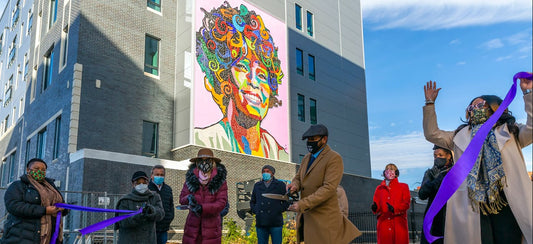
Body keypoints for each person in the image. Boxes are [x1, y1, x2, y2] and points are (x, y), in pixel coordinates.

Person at [423, 76, 532, 244]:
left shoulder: (511, 131)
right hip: (473, 201)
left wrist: (528, 93)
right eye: (471, 106)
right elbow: (432, 134)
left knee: (509, 239)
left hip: (506, 199)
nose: (475, 109)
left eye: (480, 105)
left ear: (495, 108)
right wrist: (430, 104)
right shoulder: (459, 135)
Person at [194, 2, 288, 161]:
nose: (254, 82)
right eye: (242, 67)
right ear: (223, 78)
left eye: (262, 75)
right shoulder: (202, 141)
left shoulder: (279, 154)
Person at [287, 124, 360, 243]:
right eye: (308, 140)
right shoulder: (306, 158)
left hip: (325, 220)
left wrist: (302, 204)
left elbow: (329, 188)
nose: (310, 142)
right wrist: (294, 185)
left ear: (324, 139)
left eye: (313, 139)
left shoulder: (333, 158)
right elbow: (299, 178)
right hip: (308, 218)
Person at [2, 158, 68, 243]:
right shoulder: (18, 186)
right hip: (23, 236)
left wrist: (63, 209)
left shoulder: (51, 188)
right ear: (28, 170)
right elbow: (14, 206)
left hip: (51, 235)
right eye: (36, 169)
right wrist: (44, 210)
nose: (40, 171)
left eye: (43, 170)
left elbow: (61, 203)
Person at [179, 148, 228, 244]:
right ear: (197, 163)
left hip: (211, 228)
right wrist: (189, 198)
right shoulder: (190, 179)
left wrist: (203, 208)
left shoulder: (220, 180)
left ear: (213, 162)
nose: (204, 163)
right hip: (192, 227)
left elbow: (221, 203)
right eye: (201, 160)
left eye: (207, 160)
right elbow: (182, 198)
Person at [116, 171, 165, 244]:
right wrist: (138, 216)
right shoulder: (125, 200)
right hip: (129, 240)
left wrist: (152, 211)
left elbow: (161, 214)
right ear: (133, 184)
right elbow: (123, 222)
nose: (141, 185)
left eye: (144, 182)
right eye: (138, 183)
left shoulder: (154, 197)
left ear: (148, 183)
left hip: (148, 240)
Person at [418, 145, 454, 244]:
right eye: (435, 156)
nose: (437, 158)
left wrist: (440, 178)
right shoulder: (430, 173)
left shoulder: (455, 172)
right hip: (434, 217)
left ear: (449, 156)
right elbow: (422, 194)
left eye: (440, 155)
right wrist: (435, 180)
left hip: (450, 215)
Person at [371, 163, 411, 244]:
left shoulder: (403, 187)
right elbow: (377, 203)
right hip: (384, 224)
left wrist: (395, 208)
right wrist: (375, 208)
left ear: (396, 173)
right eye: (387, 169)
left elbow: (406, 203)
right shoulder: (379, 188)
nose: (389, 172)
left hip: (398, 224)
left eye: (392, 169)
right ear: (384, 172)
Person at [250, 165, 290, 244]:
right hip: (261, 221)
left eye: (268, 171)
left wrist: (279, 210)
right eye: (263, 171)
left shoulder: (280, 184)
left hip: (275, 221)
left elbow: (287, 201)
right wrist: (256, 211)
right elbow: (252, 201)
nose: (265, 173)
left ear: (273, 173)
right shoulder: (257, 185)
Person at [148, 165, 175, 244]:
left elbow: (171, 207)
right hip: (150, 229)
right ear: (151, 175)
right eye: (157, 174)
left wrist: (168, 220)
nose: (159, 176)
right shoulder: (147, 189)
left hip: (163, 229)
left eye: (161, 175)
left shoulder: (168, 189)